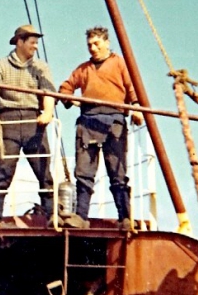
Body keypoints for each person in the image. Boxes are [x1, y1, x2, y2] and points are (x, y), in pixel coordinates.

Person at [58, 26, 144, 230]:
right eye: (89, 44)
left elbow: (132, 88)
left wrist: (137, 107)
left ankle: (125, 218)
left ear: (107, 43)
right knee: (84, 172)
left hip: (114, 120)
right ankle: (81, 217)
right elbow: (65, 88)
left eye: (97, 43)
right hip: (88, 121)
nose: (93, 48)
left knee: (118, 171)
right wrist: (73, 101)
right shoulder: (83, 69)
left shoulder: (119, 63)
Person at [0, 24, 56, 228]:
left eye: (37, 43)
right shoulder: (0, 66)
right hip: (8, 121)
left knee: (43, 171)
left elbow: (49, 94)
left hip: (33, 122)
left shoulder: (41, 68)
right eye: (32, 42)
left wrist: (47, 113)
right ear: (20, 41)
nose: (35, 46)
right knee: (2, 169)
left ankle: (52, 214)